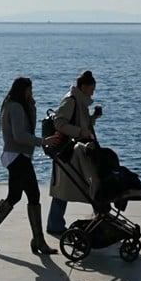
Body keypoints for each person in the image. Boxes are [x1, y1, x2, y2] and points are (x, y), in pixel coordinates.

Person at [0, 77, 60, 255]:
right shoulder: (15, 107)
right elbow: (19, 135)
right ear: (22, 90)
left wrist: (32, 106)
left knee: (14, 196)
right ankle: (38, 241)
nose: (31, 93)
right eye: (29, 90)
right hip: (17, 155)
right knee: (33, 195)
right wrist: (43, 141)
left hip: (18, 155)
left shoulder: (17, 105)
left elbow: (26, 129)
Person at [46, 70, 103, 236]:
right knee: (71, 187)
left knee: (66, 188)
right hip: (68, 152)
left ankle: (56, 223)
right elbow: (59, 123)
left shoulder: (79, 101)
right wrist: (80, 132)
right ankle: (56, 224)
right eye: (91, 89)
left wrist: (93, 118)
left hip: (74, 151)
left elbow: (81, 123)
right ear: (83, 87)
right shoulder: (71, 100)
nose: (92, 93)